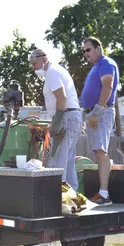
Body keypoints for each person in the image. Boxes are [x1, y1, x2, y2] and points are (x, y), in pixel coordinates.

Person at [29, 48, 82, 192]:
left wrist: (57, 121)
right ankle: (72, 197)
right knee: (68, 161)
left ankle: (57, 199)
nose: (34, 68)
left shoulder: (52, 72)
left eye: (34, 64)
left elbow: (61, 97)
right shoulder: (58, 70)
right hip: (72, 116)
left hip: (66, 116)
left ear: (43, 58)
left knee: (58, 161)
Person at [80, 37, 120, 206]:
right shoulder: (96, 66)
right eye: (84, 51)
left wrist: (96, 112)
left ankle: (104, 194)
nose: (85, 54)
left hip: (101, 112)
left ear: (98, 48)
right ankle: (102, 193)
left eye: (88, 50)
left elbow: (108, 86)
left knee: (100, 150)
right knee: (98, 150)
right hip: (95, 113)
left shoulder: (105, 62)